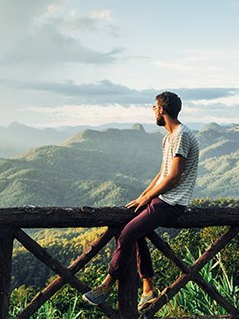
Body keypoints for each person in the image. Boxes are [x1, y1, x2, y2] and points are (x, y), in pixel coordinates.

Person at [82, 91, 200, 311]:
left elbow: (174, 176)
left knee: (128, 233)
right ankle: (147, 289)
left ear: (162, 109)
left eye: (154, 107)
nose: (154, 111)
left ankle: (107, 285)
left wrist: (148, 197)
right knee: (135, 231)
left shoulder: (181, 135)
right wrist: (143, 196)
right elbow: (162, 173)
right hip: (162, 199)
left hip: (172, 204)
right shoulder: (170, 136)